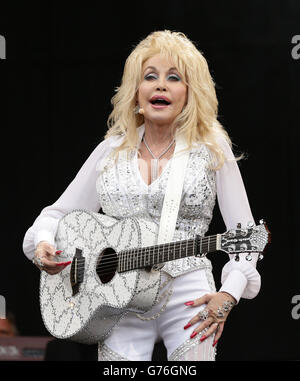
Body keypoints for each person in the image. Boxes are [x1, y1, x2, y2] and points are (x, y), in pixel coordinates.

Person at [23, 30, 261, 361]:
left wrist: (228, 294)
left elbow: (247, 237)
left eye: (174, 77)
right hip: (118, 298)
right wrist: (44, 244)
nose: (160, 85)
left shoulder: (210, 150)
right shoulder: (110, 152)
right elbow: (54, 216)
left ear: (190, 93)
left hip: (188, 293)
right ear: (136, 92)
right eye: (151, 76)